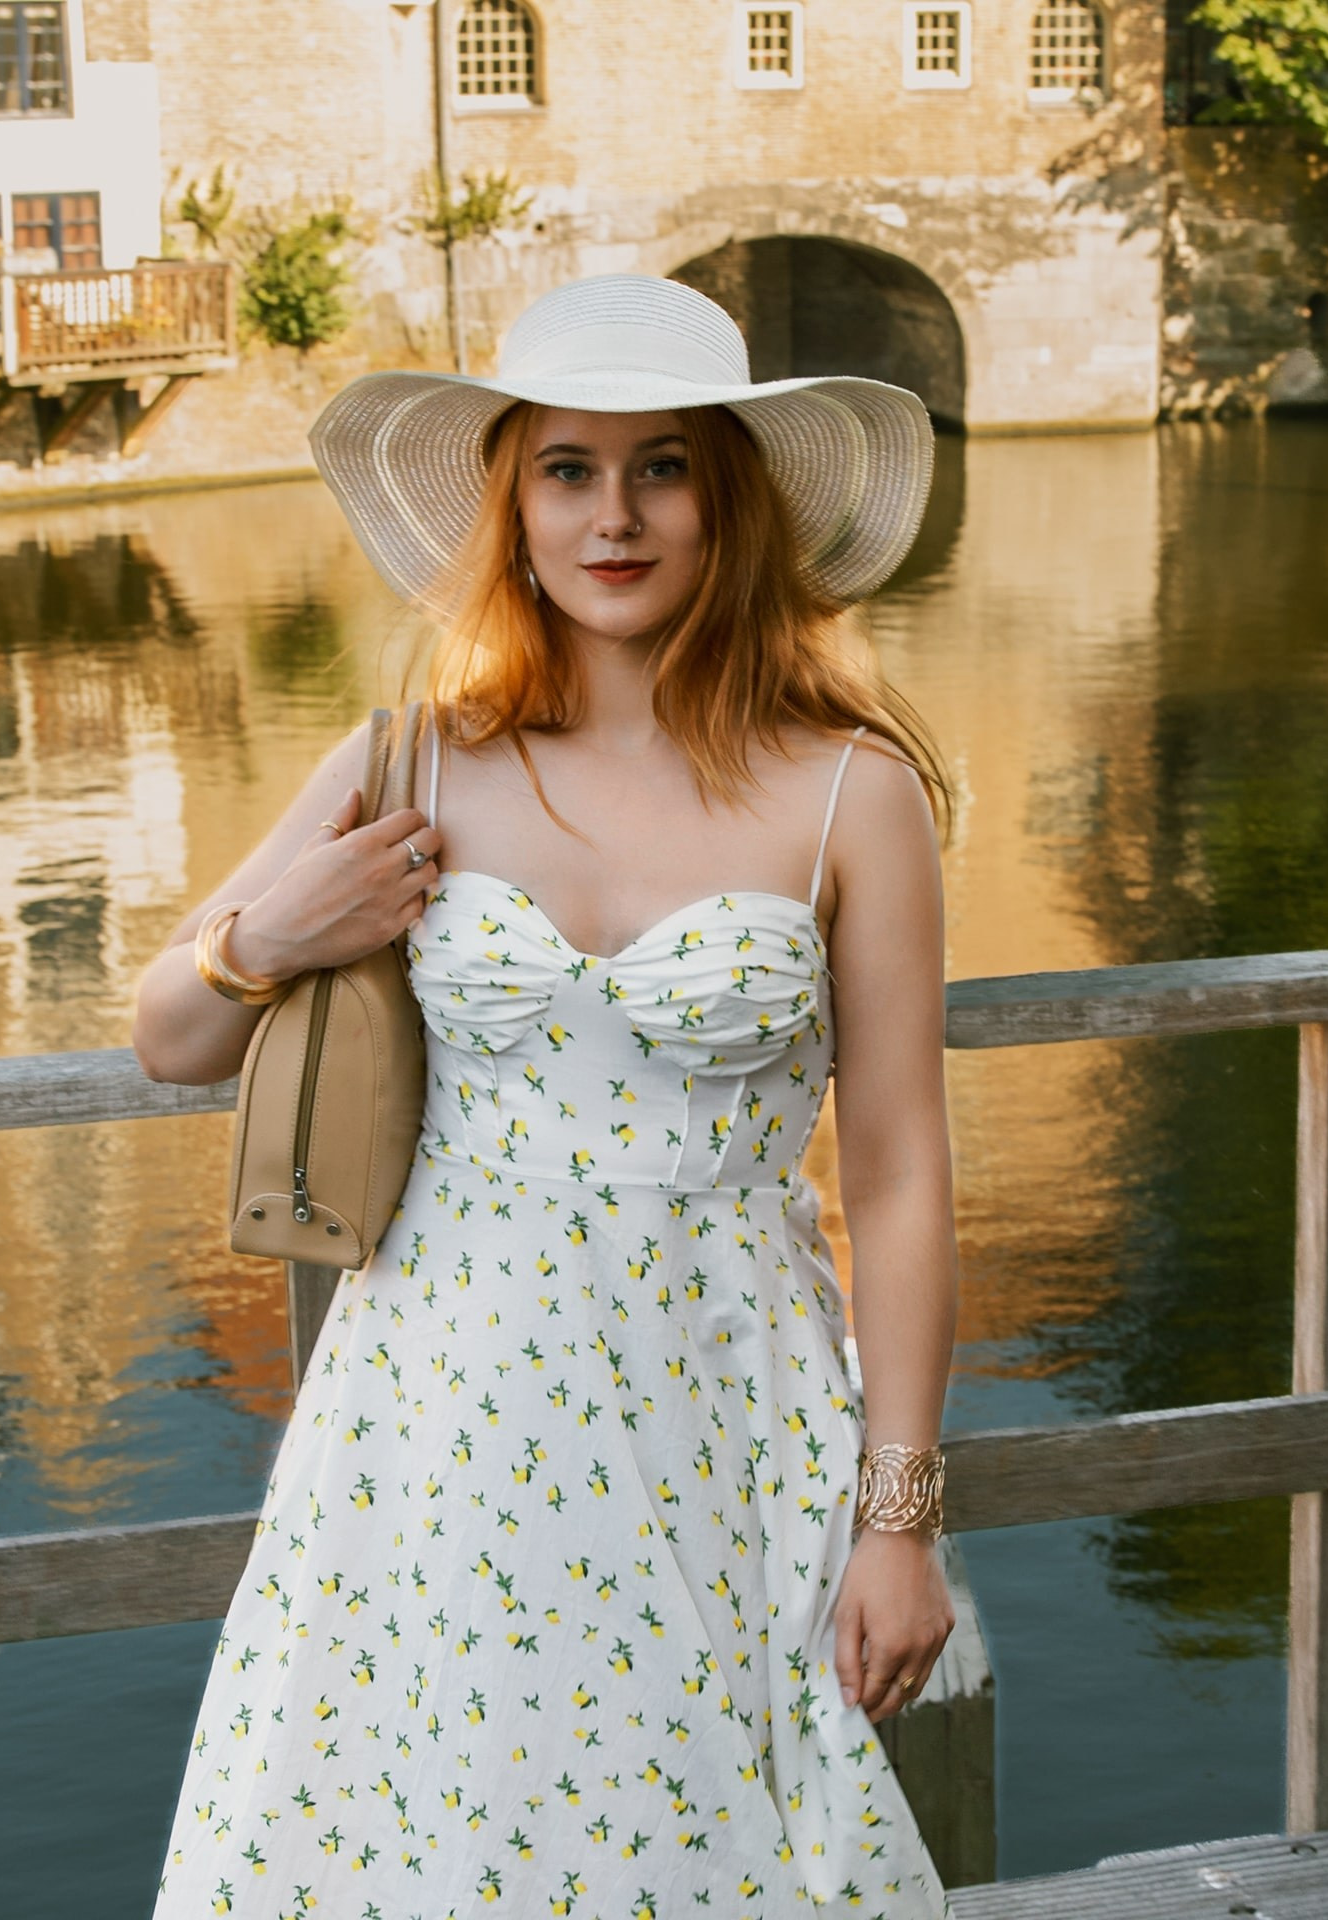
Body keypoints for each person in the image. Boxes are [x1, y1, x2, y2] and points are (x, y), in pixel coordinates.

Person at [135, 274, 961, 1920]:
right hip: (438, 1402)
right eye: (568, 470)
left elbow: (899, 1176)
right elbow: (170, 1033)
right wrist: (273, 935)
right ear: (512, 506)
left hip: (726, 1395)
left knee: (719, 1845)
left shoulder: (852, 794)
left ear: (730, 503)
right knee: (435, 1832)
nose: (615, 517)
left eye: (664, 468)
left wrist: (903, 1517)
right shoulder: (414, 761)